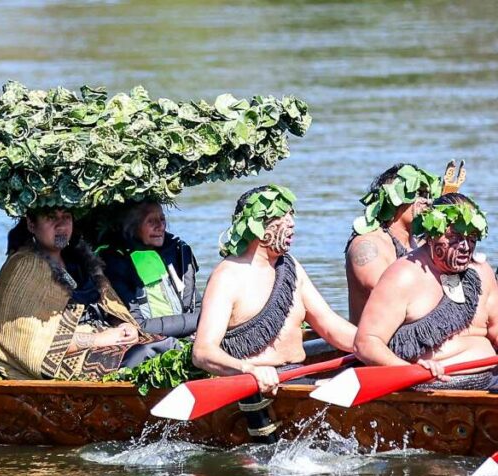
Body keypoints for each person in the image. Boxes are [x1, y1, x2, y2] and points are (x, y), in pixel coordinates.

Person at [191, 185, 356, 394]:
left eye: (291, 216)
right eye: (282, 217)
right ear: (258, 225)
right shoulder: (227, 277)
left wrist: (376, 344)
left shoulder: (290, 267)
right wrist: (248, 369)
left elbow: (330, 326)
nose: (292, 224)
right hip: (252, 386)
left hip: (298, 377)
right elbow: (203, 352)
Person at [0, 208, 171, 380]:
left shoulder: (81, 261)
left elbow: (110, 306)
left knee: (168, 345)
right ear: (31, 224)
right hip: (67, 356)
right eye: (51, 218)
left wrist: (123, 325)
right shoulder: (23, 267)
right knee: (144, 353)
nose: (61, 225)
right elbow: (27, 340)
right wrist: (99, 339)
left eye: (66, 217)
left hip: (108, 336)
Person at [354, 193, 498, 389]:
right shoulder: (403, 276)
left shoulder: (481, 272)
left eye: (471, 237)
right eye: (454, 237)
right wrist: (410, 372)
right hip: (432, 385)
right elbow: (366, 343)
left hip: (490, 379)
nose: (465, 246)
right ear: (431, 236)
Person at [345, 164, 440, 323]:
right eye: (419, 193)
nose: (428, 201)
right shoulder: (368, 245)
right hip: (377, 342)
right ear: (393, 198)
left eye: (428, 194)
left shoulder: (421, 244)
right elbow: (390, 299)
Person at [101, 202, 200, 342]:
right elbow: (138, 325)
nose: (160, 226)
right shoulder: (116, 262)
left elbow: (196, 303)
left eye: (162, 219)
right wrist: (200, 321)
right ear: (133, 227)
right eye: (151, 221)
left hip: (188, 331)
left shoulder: (175, 252)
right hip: (150, 342)